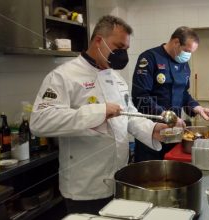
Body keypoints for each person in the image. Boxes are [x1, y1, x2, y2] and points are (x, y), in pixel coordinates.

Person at [30, 16, 168, 215]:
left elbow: (129, 115)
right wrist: (99, 111)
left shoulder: (116, 78)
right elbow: (40, 121)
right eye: (119, 46)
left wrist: (152, 129)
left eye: (126, 49)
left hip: (119, 183)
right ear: (98, 41)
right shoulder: (63, 76)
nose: (123, 54)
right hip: (85, 188)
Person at [131, 26, 209, 162]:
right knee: (150, 175)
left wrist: (197, 108)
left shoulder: (184, 64)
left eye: (191, 52)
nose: (188, 55)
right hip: (151, 131)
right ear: (176, 42)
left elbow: (184, 94)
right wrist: (165, 116)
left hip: (174, 133)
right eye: (187, 50)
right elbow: (140, 97)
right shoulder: (149, 58)